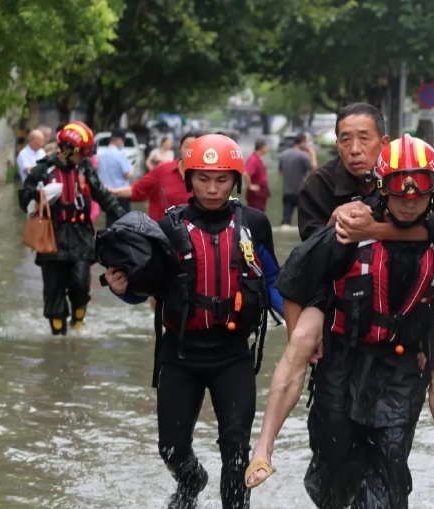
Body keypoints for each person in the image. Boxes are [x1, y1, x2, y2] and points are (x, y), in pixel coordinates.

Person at [247, 103, 434, 509]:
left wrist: (372, 228)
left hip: (405, 323)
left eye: (364, 139)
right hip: (337, 299)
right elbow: (301, 274)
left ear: (383, 143)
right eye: (345, 139)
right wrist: (346, 231)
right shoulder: (321, 187)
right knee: (302, 339)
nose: (355, 148)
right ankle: (264, 448)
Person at [102, 134, 283, 509]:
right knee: (170, 447)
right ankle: (192, 480)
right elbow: (143, 290)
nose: (212, 189)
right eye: (203, 179)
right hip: (180, 355)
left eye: (221, 179)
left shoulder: (255, 224)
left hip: (233, 355)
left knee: (236, 448)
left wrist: (304, 333)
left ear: (235, 180)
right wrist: (122, 288)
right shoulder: (168, 229)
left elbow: (274, 283)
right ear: (189, 179)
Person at [18, 121, 125, 335]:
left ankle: (78, 326)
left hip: (81, 237)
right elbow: (23, 200)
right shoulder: (42, 170)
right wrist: (39, 194)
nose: (84, 156)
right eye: (81, 152)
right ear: (66, 149)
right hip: (52, 238)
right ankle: (58, 338)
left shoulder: (85, 168)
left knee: (80, 282)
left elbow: (104, 196)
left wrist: (124, 219)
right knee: (54, 289)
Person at [109, 132, 199, 221]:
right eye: (187, 146)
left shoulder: (205, 177)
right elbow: (136, 190)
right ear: (180, 148)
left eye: (195, 147)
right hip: (162, 231)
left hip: (193, 233)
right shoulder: (162, 170)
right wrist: (108, 192)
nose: (190, 151)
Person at [278, 132, 316, 227]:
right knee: (305, 222)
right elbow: (314, 168)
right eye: (307, 142)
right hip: (301, 193)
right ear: (302, 142)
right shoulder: (304, 156)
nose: (308, 144)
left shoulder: (284, 154)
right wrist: (312, 153)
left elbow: (281, 172)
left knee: (286, 222)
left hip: (287, 193)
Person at [97, 129, 133, 226]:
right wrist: (132, 168)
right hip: (121, 194)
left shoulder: (101, 154)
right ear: (118, 140)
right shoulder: (120, 154)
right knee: (124, 223)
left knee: (110, 222)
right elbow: (127, 174)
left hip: (107, 194)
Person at [243, 138, 270, 212]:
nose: (267, 148)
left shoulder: (258, 159)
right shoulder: (253, 159)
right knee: (255, 215)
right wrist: (250, 186)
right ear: (262, 147)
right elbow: (246, 173)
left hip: (260, 194)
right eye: (266, 146)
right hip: (255, 195)